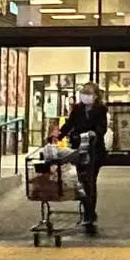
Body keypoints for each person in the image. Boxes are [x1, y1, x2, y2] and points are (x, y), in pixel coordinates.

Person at [55, 82, 109, 236]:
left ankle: (89, 214)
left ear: (96, 95)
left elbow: (102, 128)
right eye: (84, 92)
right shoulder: (77, 109)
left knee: (90, 180)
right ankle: (89, 211)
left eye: (89, 93)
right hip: (79, 149)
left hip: (95, 151)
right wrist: (59, 135)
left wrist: (94, 133)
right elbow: (69, 124)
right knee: (82, 180)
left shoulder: (101, 109)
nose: (85, 95)